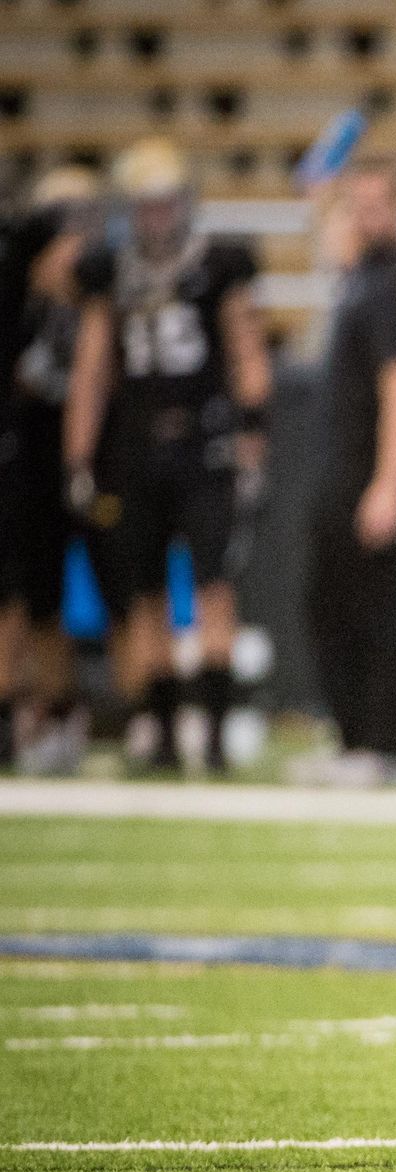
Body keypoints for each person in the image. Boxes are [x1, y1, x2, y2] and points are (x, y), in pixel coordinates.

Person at [62, 138, 268, 775]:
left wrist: (252, 442)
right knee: (144, 593)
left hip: (203, 442)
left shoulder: (218, 266)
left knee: (212, 586)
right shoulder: (111, 273)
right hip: (133, 444)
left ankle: (210, 735)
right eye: (145, 207)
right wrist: (78, 456)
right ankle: (160, 730)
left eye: (165, 205)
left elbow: (247, 355)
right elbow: (93, 369)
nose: (155, 219)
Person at [304, 158, 396, 787]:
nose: (366, 215)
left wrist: (391, 480)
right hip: (344, 465)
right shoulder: (361, 275)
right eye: (358, 204)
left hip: (366, 469)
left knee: (372, 609)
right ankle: (358, 737)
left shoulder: (394, 281)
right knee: (334, 605)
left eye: (380, 202)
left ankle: (380, 743)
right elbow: (325, 231)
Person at [0, 166, 101, 776]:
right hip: (15, 463)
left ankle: (58, 715)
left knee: (47, 600)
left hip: (55, 468)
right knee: (11, 597)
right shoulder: (14, 295)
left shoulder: (88, 299)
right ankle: (14, 717)